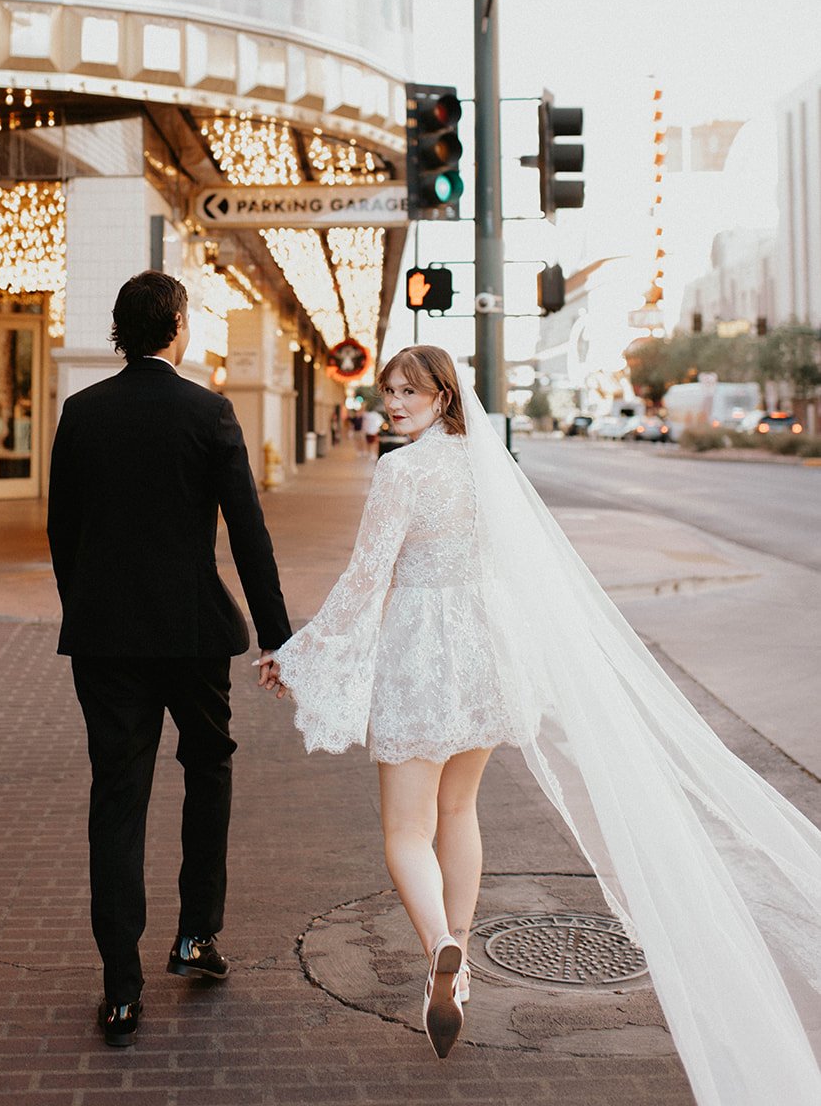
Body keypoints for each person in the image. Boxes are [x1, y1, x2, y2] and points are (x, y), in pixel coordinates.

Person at [260, 346, 821, 1100]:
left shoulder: (401, 471)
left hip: (424, 656)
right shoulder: (488, 466)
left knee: (404, 830)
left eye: (408, 391)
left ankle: (441, 948)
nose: (393, 402)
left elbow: (367, 579)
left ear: (441, 395)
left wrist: (298, 656)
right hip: (488, 652)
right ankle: (458, 975)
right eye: (387, 390)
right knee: (461, 808)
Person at [48, 271, 292, 1050]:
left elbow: (62, 529)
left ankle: (120, 988)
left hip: (105, 638)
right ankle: (195, 936)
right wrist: (277, 634)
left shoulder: (81, 413)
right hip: (192, 633)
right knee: (209, 766)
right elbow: (247, 532)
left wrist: (87, 605)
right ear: (177, 327)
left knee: (116, 797)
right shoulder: (208, 411)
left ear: (122, 330)